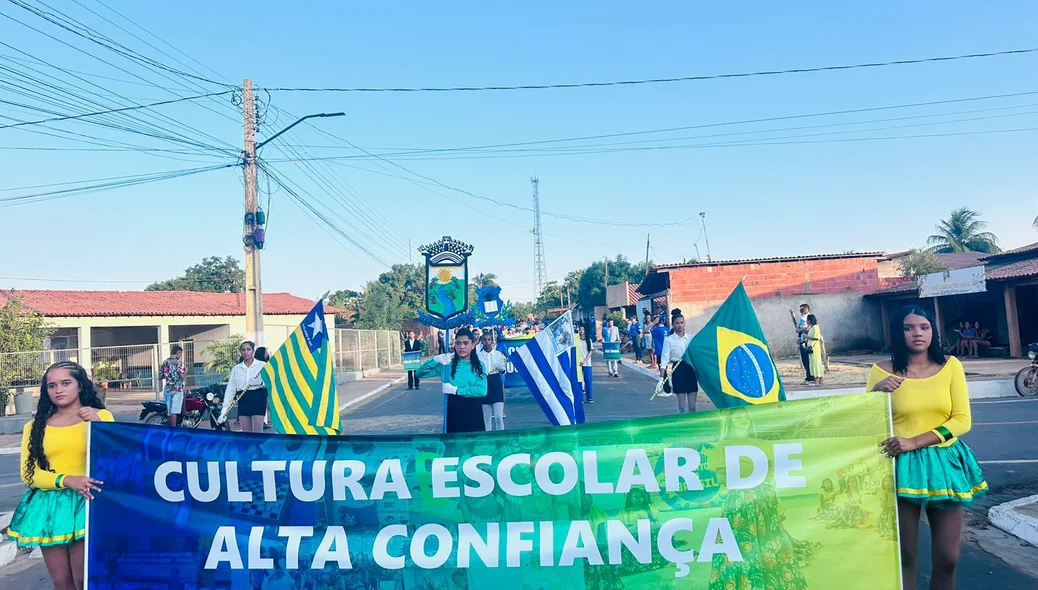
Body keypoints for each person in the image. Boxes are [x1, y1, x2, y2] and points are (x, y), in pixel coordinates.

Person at [867, 305, 986, 590]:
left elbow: (962, 420)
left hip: (945, 463)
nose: (917, 333)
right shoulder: (880, 372)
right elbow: (868, 422)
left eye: (924, 327)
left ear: (933, 330)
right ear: (898, 334)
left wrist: (916, 441)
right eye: (908, 328)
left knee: (948, 558)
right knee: (905, 555)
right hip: (899, 464)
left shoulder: (951, 366)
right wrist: (875, 393)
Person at [8, 361, 114, 590]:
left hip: (89, 502)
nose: (58, 390)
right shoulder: (35, 426)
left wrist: (99, 425)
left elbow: (116, 459)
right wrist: (66, 480)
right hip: (49, 507)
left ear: (80, 386)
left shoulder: (101, 416)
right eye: (51, 385)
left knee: (84, 579)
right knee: (62, 583)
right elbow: (29, 474)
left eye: (66, 383)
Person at [415, 327, 488, 433]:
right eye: (458, 343)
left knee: (474, 446)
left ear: (473, 345)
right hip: (453, 411)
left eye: (465, 343)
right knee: (453, 447)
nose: (461, 347)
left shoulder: (479, 366)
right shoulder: (446, 364)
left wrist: (456, 390)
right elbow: (419, 373)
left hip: (473, 412)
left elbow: (482, 390)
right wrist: (435, 360)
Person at [219, 341, 268, 433]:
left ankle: (257, 447)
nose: (246, 352)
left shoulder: (262, 365)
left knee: (257, 432)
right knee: (246, 433)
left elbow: (271, 383)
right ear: (241, 352)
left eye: (248, 349)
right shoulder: (236, 369)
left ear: (253, 351)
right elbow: (230, 390)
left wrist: (260, 383)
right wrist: (224, 411)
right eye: (243, 350)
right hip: (243, 398)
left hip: (258, 398)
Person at [659, 309, 698, 413]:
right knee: (681, 407)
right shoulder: (669, 340)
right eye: (677, 323)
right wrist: (661, 379)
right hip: (678, 370)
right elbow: (664, 360)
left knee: (692, 407)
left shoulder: (691, 338)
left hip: (690, 370)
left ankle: (692, 427)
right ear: (672, 324)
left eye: (681, 323)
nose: (680, 325)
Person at [477, 332, 507, 431]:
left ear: (492, 341)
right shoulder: (478, 356)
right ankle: (488, 439)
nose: (487, 342)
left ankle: (501, 437)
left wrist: (501, 368)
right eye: (484, 340)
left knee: (498, 416)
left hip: (496, 382)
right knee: (487, 417)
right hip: (484, 383)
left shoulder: (498, 355)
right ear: (481, 341)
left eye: (489, 340)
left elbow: (503, 371)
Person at [160, 345, 186, 427]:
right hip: (177, 389)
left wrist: (169, 376)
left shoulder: (165, 362)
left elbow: (161, 376)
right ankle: (174, 430)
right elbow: (182, 376)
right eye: (180, 354)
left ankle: (170, 429)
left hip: (168, 389)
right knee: (174, 411)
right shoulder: (178, 363)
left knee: (170, 412)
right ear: (178, 353)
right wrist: (186, 372)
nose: (180, 356)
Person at [796, 303, 815, 384]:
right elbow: (797, 330)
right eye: (801, 309)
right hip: (802, 340)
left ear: (807, 309)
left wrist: (805, 329)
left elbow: (811, 328)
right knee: (804, 360)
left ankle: (812, 376)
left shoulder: (810, 318)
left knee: (809, 359)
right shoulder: (801, 319)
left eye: (803, 309)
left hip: (808, 341)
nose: (802, 311)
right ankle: (808, 376)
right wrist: (802, 329)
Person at [805, 314, 825, 386]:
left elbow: (817, 338)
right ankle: (819, 380)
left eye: (807, 319)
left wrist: (807, 337)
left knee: (816, 363)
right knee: (814, 363)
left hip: (814, 348)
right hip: (812, 347)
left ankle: (817, 380)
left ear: (810, 320)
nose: (806, 321)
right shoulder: (812, 327)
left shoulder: (815, 327)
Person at [579, 325, 594, 404]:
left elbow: (590, 351)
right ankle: (580, 398)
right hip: (578, 364)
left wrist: (584, 361)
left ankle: (589, 397)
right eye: (580, 329)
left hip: (587, 363)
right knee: (579, 382)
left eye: (583, 329)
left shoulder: (589, 340)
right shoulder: (577, 340)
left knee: (588, 381)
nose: (581, 331)